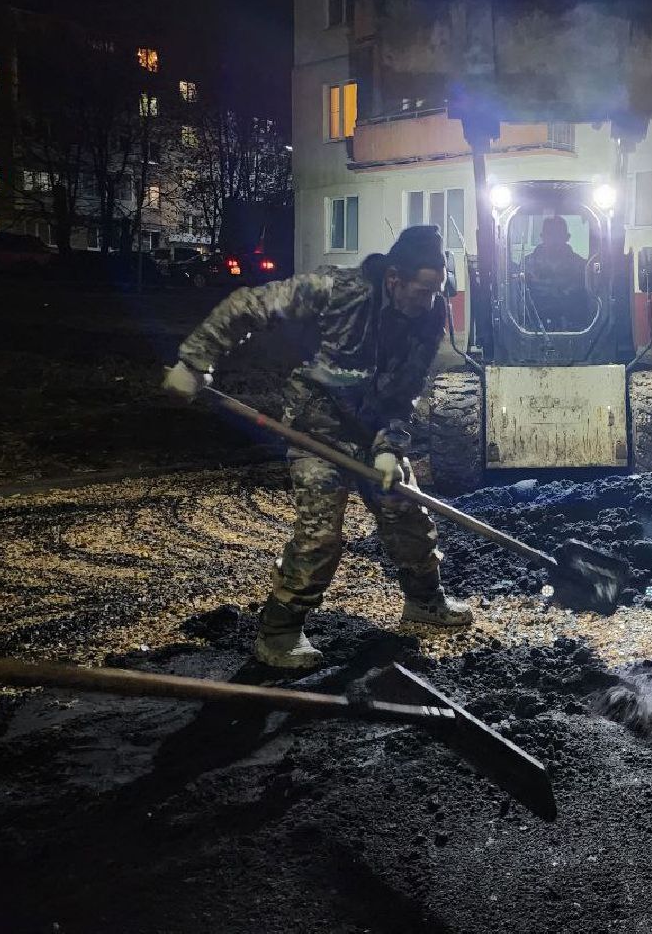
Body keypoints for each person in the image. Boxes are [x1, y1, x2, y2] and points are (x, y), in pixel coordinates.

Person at [162, 224, 472, 669]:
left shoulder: (430, 315)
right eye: (422, 290)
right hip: (316, 428)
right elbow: (249, 304)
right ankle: (280, 633)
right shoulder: (337, 290)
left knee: (407, 513)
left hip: (371, 430)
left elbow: (405, 391)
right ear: (394, 279)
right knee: (320, 534)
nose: (429, 300)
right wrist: (195, 361)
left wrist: (389, 447)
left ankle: (425, 602)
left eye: (436, 290)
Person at [524, 214, 590, 330]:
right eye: (550, 234)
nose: (554, 240)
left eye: (558, 235)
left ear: (567, 237)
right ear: (542, 237)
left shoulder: (583, 268)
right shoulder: (526, 266)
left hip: (575, 332)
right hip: (531, 332)